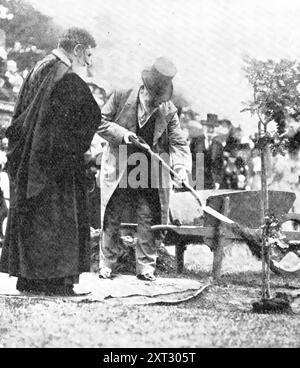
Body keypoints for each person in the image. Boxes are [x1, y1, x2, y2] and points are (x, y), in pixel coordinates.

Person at [0, 28, 102, 296]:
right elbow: (89, 113)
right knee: (58, 221)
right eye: (88, 55)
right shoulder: (64, 76)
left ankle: (30, 280)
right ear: (78, 50)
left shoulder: (40, 67)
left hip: (29, 161)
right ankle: (56, 283)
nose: (89, 62)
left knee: (33, 220)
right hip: (53, 166)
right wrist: (80, 154)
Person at [97, 57, 191, 281]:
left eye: (160, 99)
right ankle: (106, 264)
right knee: (112, 213)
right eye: (153, 98)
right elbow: (99, 122)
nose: (156, 103)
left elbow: (178, 144)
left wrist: (180, 168)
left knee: (148, 216)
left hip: (149, 171)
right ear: (144, 90)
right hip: (120, 164)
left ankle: (146, 266)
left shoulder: (167, 110)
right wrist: (124, 135)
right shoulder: (122, 95)